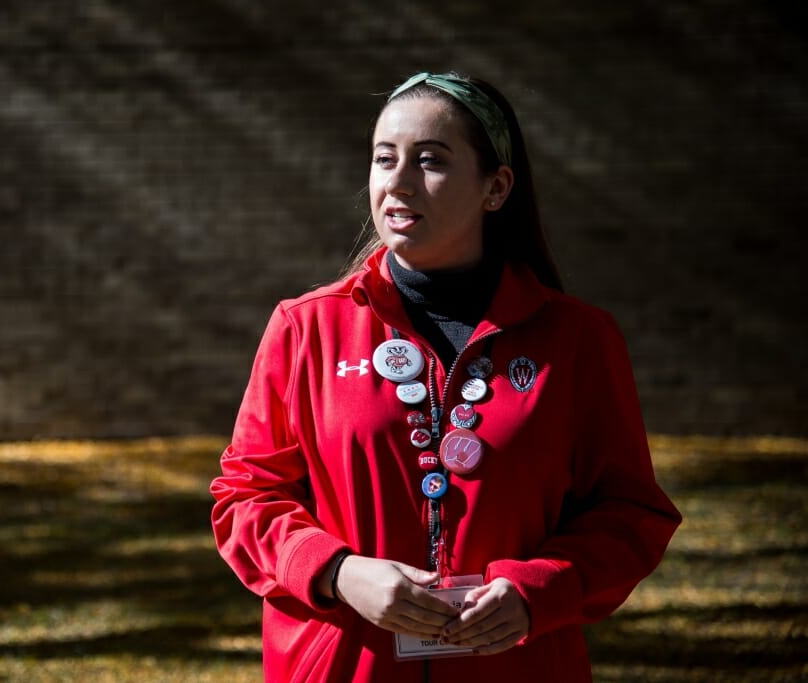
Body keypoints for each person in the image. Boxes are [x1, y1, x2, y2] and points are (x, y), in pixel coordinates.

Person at [210, 71, 681, 682]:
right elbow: (246, 496)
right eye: (384, 159)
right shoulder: (306, 328)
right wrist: (337, 571)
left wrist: (539, 591)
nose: (398, 182)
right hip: (344, 667)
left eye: (430, 160)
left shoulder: (578, 340)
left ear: (496, 187)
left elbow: (631, 513)